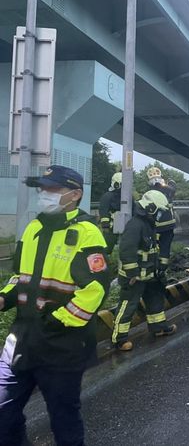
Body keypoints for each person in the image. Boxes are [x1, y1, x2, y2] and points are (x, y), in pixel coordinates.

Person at [0, 165, 111, 446]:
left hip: (62, 345)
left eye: (52, 189)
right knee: (4, 410)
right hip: (21, 339)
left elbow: (95, 289)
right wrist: (5, 297)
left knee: (63, 419)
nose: (44, 194)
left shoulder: (87, 233)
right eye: (42, 188)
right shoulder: (33, 228)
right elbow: (19, 276)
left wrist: (59, 320)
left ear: (75, 195)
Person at [111, 190, 177, 351]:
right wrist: (132, 274)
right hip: (135, 277)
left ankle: (159, 327)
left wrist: (161, 266)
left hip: (150, 274)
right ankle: (119, 339)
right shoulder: (135, 225)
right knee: (128, 305)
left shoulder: (150, 224)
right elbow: (126, 251)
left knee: (155, 300)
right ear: (150, 208)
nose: (161, 216)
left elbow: (155, 248)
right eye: (159, 212)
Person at [147, 167, 176, 278]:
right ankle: (162, 270)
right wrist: (171, 182)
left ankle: (153, 268)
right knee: (165, 246)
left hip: (156, 225)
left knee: (153, 246)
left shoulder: (149, 192)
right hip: (169, 224)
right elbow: (173, 189)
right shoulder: (168, 189)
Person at [98, 171, 122, 254]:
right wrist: (105, 224)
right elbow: (103, 209)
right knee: (107, 247)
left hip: (125, 224)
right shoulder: (107, 196)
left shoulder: (127, 196)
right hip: (111, 225)